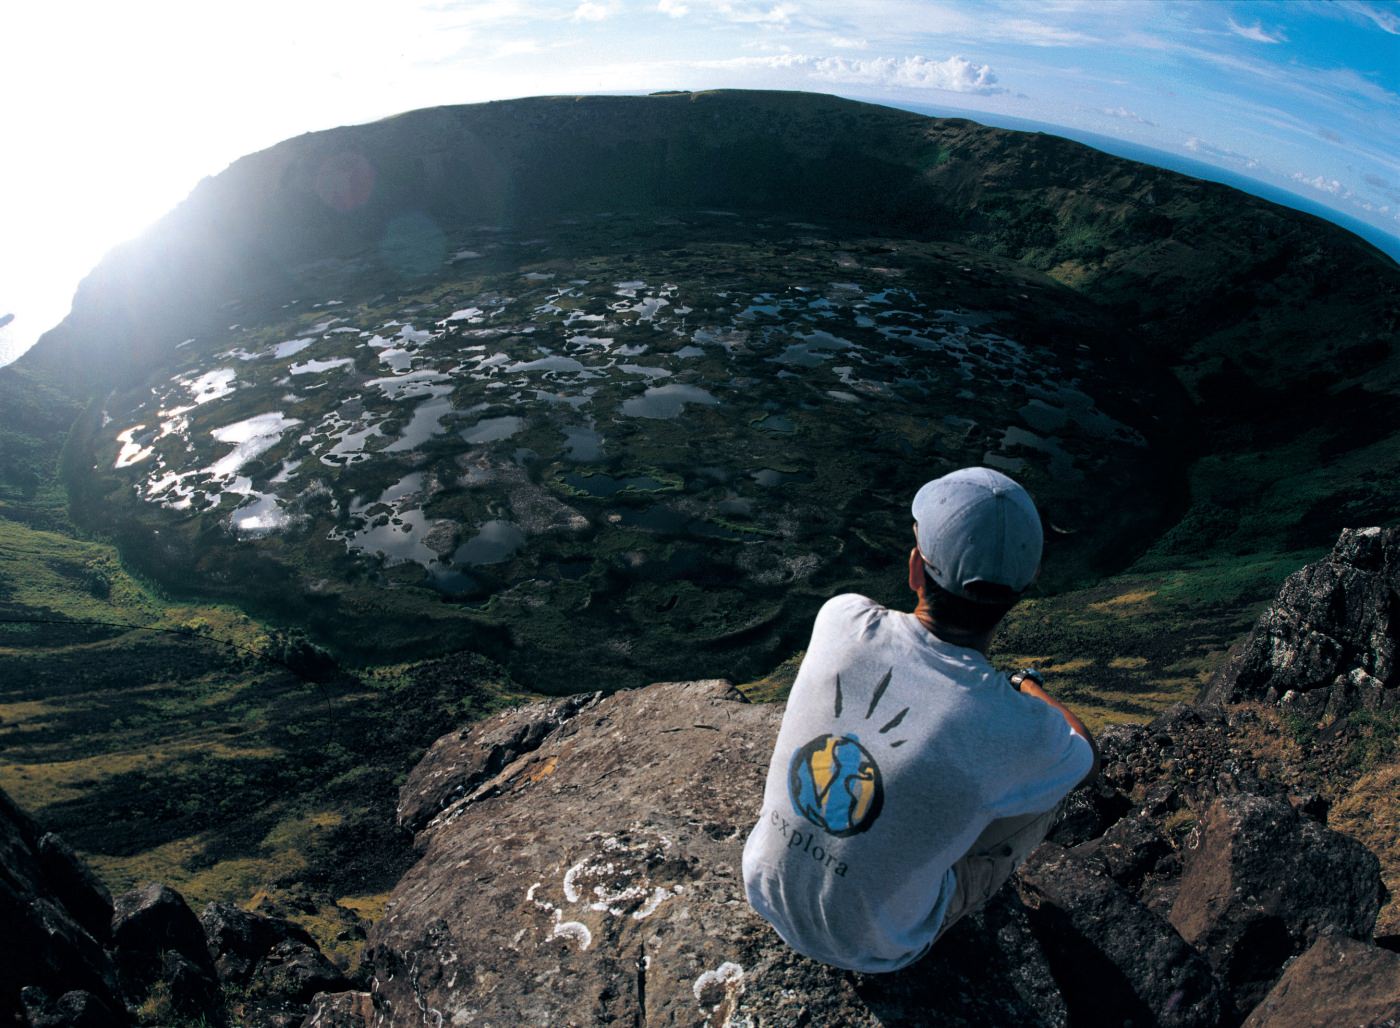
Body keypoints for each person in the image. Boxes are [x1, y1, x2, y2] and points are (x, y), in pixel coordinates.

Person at [741, 466, 1098, 973]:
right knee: (1045, 792)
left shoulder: (841, 619)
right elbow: (1085, 754)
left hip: (763, 887)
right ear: (1024, 589)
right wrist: (1024, 684)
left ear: (915, 570)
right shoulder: (1018, 729)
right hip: (878, 948)